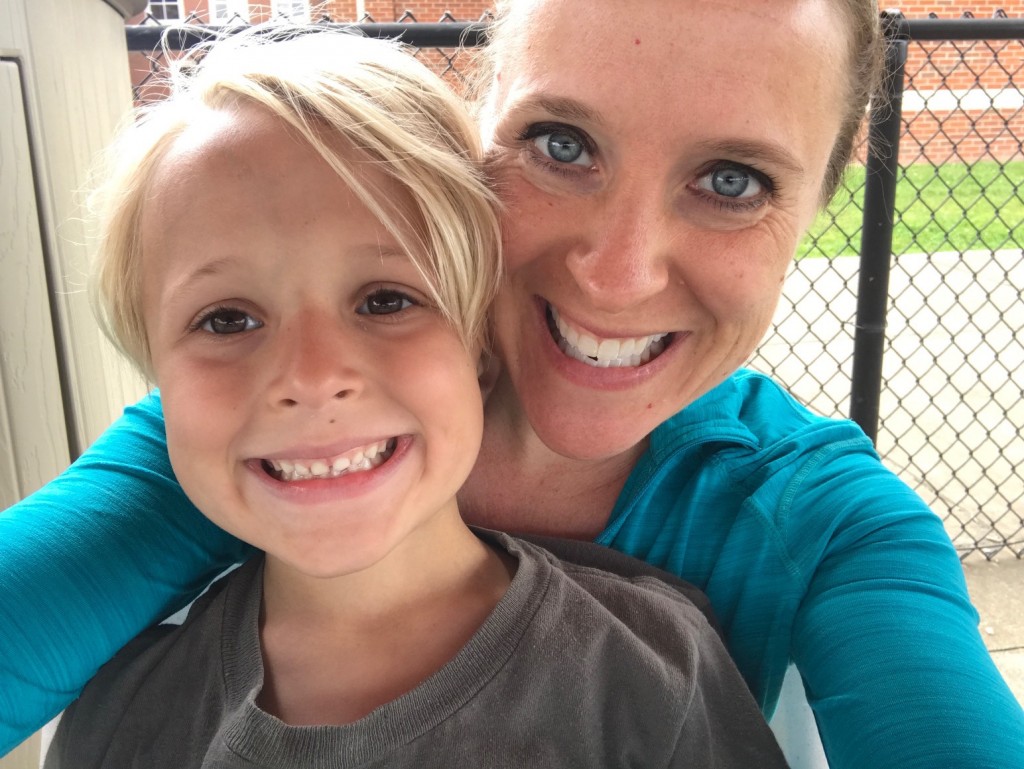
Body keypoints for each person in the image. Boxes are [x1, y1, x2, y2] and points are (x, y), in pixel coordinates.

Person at [3, 0, 1023, 766]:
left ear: (817, 201)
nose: (617, 274)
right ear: (473, 144)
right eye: (561, 144)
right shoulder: (262, 439)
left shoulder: (817, 524)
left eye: (732, 181)